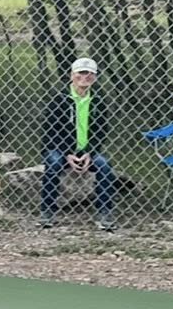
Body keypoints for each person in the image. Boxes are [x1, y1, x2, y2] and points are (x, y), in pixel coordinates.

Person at [40, 57, 116, 231]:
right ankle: (47, 211)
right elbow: (50, 132)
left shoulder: (98, 100)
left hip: (87, 151)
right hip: (61, 149)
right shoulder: (59, 99)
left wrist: (90, 152)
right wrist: (68, 153)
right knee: (53, 162)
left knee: (104, 166)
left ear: (95, 77)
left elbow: (101, 131)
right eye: (82, 72)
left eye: (91, 73)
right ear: (72, 75)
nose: (86, 76)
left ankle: (105, 213)